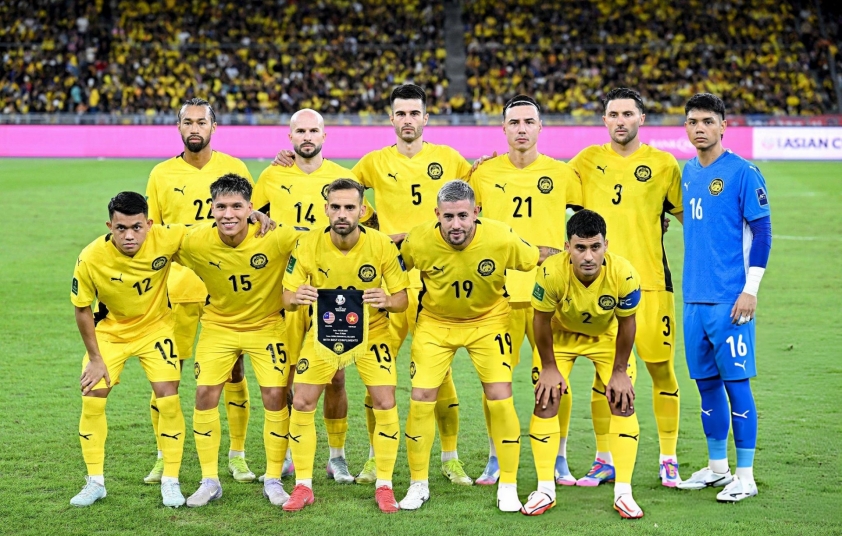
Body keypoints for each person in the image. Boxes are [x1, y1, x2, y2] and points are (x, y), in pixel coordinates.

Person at [274, 84, 473, 486]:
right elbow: (341, 192)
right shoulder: (373, 163)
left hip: (434, 279)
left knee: (440, 375)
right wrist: (292, 159)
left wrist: (485, 163)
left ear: (425, 118)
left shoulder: (450, 159)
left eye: (414, 113)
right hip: (384, 283)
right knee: (374, 370)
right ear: (391, 119)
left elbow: (474, 197)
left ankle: (450, 457)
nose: (407, 120)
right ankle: (372, 457)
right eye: (401, 113)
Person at [398, 180, 554, 513]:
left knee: (500, 396)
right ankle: (418, 484)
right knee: (421, 397)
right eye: (448, 217)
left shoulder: (501, 237)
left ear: (476, 213)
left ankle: (508, 486)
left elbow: (537, 256)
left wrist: (575, 256)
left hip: (489, 322)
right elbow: (391, 261)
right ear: (437, 214)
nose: (456, 225)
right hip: (436, 324)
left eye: (463, 216)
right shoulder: (419, 239)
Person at [568, 87, 685, 487]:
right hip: (599, 288)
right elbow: (550, 196)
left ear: (641, 119)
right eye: (614, 115)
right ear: (604, 120)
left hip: (651, 284)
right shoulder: (586, 161)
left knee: (661, 369)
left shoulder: (664, 164)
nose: (621, 121)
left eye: (628, 114)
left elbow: (690, 216)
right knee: (605, 375)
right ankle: (604, 459)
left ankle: (668, 457)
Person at [254, 108, 378, 484]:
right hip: (289, 290)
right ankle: (290, 453)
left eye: (313, 131)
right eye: (300, 131)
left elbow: (369, 224)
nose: (306, 137)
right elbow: (251, 217)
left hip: (332, 292)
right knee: (287, 376)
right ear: (290, 137)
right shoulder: (272, 176)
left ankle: (336, 457)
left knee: (336, 377)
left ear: (324, 136)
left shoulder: (342, 178)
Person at [469, 94, 583, 486]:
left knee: (555, 377)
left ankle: (559, 457)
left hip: (548, 296)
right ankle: (495, 457)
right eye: (514, 122)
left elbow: (588, 222)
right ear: (503, 128)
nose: (521, 129)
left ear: (540, 127)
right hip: (497, 296)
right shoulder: (482, 174)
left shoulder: (562, 174)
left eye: (528, 122)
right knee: (495, 382)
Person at [144, 97, 258, 484]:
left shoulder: (234, 168)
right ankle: (164, 455)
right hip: (176, 292)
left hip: (226, 292)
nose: (195, 128)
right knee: (167, 375)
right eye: (188, 122)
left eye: (201, 122)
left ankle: (238, 455)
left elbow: (253, 221)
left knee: (234, 372)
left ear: (213, 127)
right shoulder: (161, 174)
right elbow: (152, 235)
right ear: (178, 127)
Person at [174, 174, 302, 507]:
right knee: (204, 394)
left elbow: (321, 239)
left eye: (237, 206)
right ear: (211, 208)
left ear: (250, 208)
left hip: (267, 326)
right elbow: (154, 238)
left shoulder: (275, 236)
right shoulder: (195, 241)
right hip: (218, 327)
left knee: (275, 397)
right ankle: (209, 481)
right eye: (221, 207)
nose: (228, 214)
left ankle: (273, 479)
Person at [281, 179, 409, 513]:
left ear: (362, 210)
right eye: (335, 207)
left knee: (385, 401)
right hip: (323, 334)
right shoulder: (308, 244)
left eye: (349, 207)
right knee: (303, 400)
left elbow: (402, 300)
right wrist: (296, 297)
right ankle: (303, 485)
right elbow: (286, 297)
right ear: (326, 209)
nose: (342, 214)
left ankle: (384, 486)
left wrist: (387, 300)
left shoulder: (381, 245)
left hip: (372, 333)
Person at [676, 93, 771, 502]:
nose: (700, 128)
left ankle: (745, 476)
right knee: (707, 385)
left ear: (723, 126)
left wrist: (750, 290)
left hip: (730, 300)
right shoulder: (688, 171)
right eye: (693, 121)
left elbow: (763, 233)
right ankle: (717, 469)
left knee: (736, 384)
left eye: (708, 121)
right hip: (694, 299)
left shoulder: (743, 172)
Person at [70, 192, 188, 507]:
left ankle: (171, 481)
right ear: (110, 226)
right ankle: (95, 482)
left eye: (136, 227)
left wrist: (253, 217)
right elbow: (82, 308)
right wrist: (95, 359)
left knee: (168, 398)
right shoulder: (91, 257)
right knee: (92, 395)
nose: (129, 236)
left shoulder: (166, 238)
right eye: (121, 228)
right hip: (111, 333)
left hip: (156, 329)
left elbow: (209, 233)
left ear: (149, 224)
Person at [528, 209, 644, 518]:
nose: (588, 256)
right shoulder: (551, 272)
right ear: (568, 247)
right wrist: (549, 368)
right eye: (580, 247)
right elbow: (540, 321)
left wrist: (619, 372)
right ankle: (544, 489)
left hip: (606, 337)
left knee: (622, 400)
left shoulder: (624, 274)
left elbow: (628, 324)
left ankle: (624, 493)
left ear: (607, 245)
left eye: (595, 247)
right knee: (546, 398)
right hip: (560, 336)